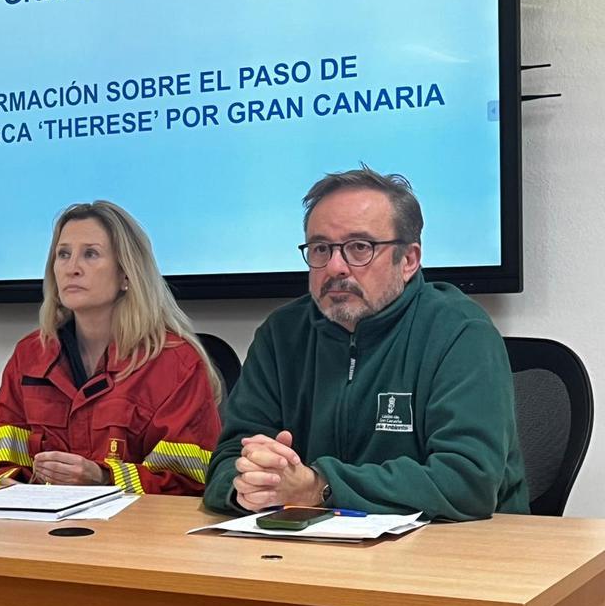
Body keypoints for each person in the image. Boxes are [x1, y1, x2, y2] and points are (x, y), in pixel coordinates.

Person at [204, 165, 527, 520]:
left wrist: (320, 486)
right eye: (321, 249)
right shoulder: (281, 335)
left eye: (360, 247)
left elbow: (468, 482)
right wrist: (252, 484)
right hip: (310, 542)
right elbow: (227, 461)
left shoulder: (460, 332)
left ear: (408, 260)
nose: (335, 267)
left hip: (453, 546)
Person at [0, 201, 221, 495]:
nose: (72, 268)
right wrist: (5, 485)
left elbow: (191, 486)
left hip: (136, 524)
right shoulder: (30, 355)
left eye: (90, 254)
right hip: (39, 521)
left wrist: (104, 479)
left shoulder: (176, 363)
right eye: (63, 254)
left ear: (126, 274)